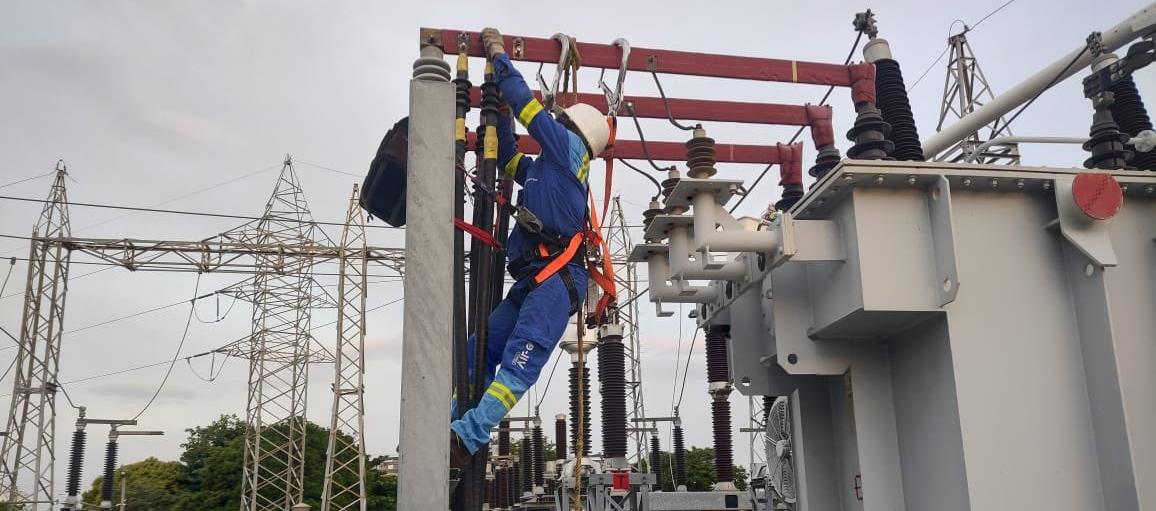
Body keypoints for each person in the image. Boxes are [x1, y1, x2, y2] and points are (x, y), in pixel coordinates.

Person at [450, 26, 611, 465]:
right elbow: (507, 158)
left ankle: (465, 439)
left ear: (571, 129)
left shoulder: (571, 150)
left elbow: (530, 109)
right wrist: (499, 111)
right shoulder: (547, 169)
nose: (553, 121)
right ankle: (448, 421)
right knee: (478, 349)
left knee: (518, 366)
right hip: (533, 282)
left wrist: (501, 61)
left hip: (557, 283)